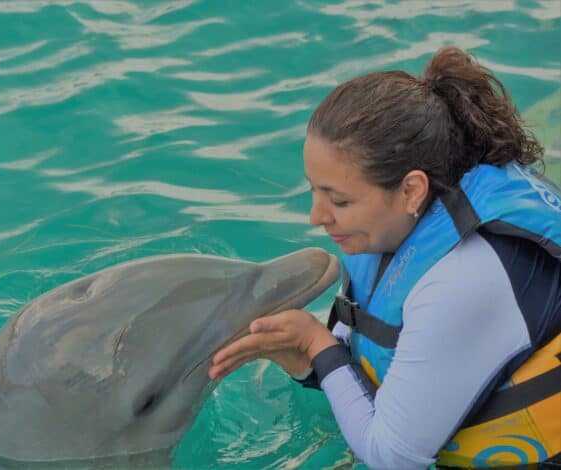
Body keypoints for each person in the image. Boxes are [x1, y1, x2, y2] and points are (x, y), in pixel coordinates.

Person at [208, 46, 561, 469]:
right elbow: (384, 350)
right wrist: (311, 361)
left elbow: (394, 457)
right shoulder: (398, 227)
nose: (316, 216)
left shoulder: (464, 279)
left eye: (338, 199)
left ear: (412, 190)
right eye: (314, 190)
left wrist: (315, 342)